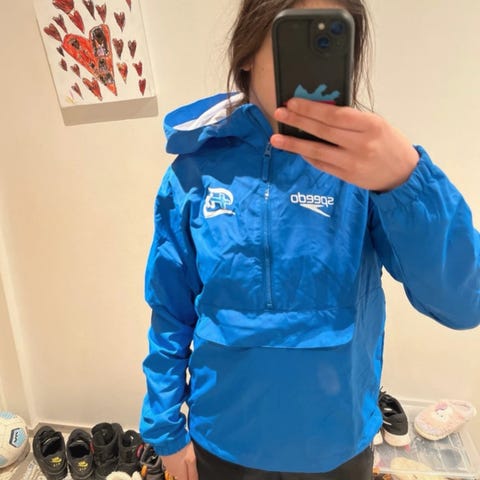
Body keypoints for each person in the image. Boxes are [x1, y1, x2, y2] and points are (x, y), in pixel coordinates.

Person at [139, 0, 480, 479]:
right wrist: (165, 428)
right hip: (223, 442)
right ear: (246, 52)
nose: (312, 67)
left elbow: (465, 303)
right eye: (295, 40)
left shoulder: (369, 170)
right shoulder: (194, 172)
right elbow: (171, 311)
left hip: (337, 449)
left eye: (332, 44)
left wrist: (407, 179)